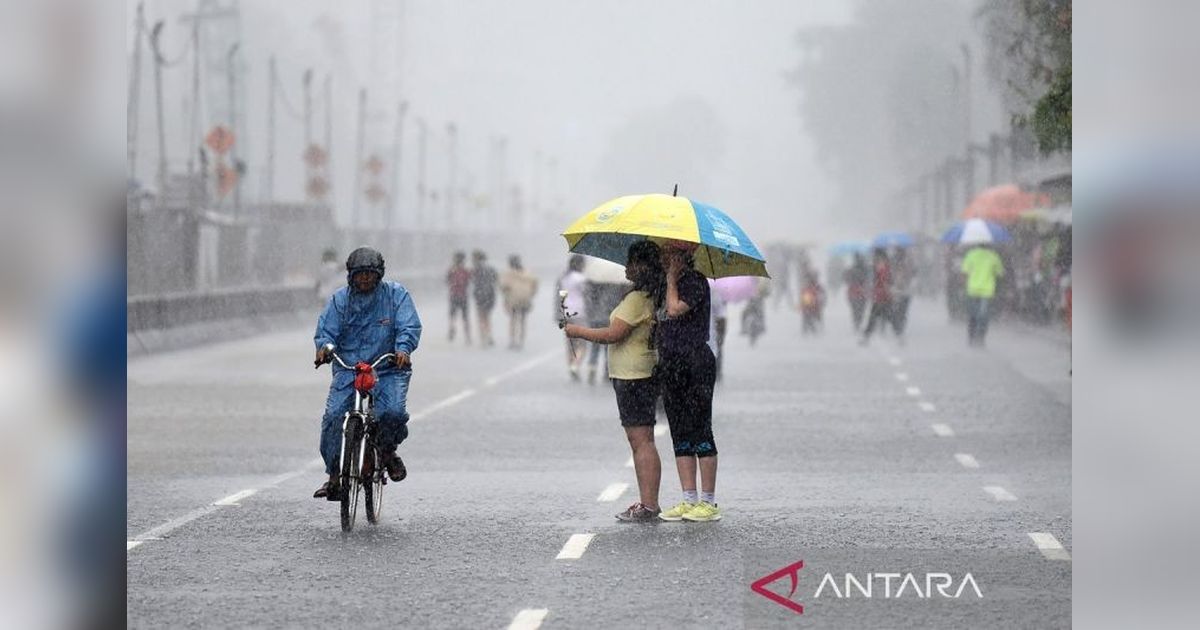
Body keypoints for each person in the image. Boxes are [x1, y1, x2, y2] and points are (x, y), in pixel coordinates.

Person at [563, 241, 664, 522]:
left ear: (643, 266)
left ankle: (649, 504)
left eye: (632, 262)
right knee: (642, 439)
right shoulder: (647, 295)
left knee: (641, 440)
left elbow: (614, 334)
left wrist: (578, 331)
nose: (627, 268)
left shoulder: (637, 299)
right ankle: (648, 502)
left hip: (634, 374)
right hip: (638, 372)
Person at [312, 247, 422, 499]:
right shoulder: (340, 300)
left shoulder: (396, 296)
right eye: (360, 274)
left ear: (379, 274)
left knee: (392, 413)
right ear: (351, 275)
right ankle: (334, 476)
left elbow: (409, 325)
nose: (364, 279)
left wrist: (403, 349)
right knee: (333, 417)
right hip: (349, 368)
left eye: (369, 274)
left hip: (388, 368)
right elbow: (326, 332)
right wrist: (324, 349)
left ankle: (386, 451)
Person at [655, 240, 721, 523]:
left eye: (670, 256)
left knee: (700, 428)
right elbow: (661, 317)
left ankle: (708, 502)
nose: (665, 260)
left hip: (696, 362)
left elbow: (674, 310)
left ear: (683, 257)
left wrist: (671, 280)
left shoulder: (695, 282)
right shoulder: (665, 283)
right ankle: (688, 499)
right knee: (680, 430)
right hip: (672, 363)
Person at [960, 243, 1005, 346]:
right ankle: (980, 337)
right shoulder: (993, 256)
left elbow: (965, 271)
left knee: (973, 315)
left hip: (972, 289)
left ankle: (971, 336)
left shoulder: (971, 254)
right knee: (983, 316)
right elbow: (1000, 273)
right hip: (987, 290)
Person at [556, 255, 589, 380]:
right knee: (582, 344)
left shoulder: (564, 278)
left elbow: (562, 295)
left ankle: (570, 365)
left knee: (570, 343)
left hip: (566, 312)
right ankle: (575, 365)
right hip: (579, 313)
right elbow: (587, 294)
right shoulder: (581, 279)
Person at [499, 254, 539, 350]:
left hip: (513, 300)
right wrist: (531, 294)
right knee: (523, 321)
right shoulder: (527, 273)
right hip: (525, 299)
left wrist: (506, 299)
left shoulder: (509, 274)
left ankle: (512, 340)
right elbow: (535, 283)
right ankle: (521, 341)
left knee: (513, 320)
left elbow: (504, 287)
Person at [859, 248, 892, 345]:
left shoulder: (882, 267)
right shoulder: (880, 266)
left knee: (874, 318)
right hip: (881, 296)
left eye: (876, 256)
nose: (874, 257)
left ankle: (866, 338)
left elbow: (884, 282)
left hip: (882, 297)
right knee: (883, 317)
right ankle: (866, 337)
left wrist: (883, 291)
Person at [471, 250, 499, 347]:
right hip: (490, 295)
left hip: (480, 296)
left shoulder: (476, 270)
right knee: (487, 317)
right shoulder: (491, 269)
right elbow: (496, 280)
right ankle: (489, 335)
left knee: (481, 317)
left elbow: (473, 282)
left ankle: (483, 338)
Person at [445, 251, 471, 344]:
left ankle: (452, 328)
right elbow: (468, 282)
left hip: (454, 295)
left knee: (452, 315)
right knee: (465, 317)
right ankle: (467, 335)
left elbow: (447, 281)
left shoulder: (451, 270)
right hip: (463, 296)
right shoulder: (466, 271)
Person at [890, 248, 915, 342]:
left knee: (898, 310)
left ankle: (898, 327)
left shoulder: (904, 262)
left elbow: (913, 273)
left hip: (899, 291)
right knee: (902, 310)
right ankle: (899, 327)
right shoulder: (906, 262)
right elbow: (913, 273)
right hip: (902, 291)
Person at [843, 252, 869, 331]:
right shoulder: (865, 269)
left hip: (854, 293)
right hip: (862, 292)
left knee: (855, 309)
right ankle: (858, 322)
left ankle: (857, 322)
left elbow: (846, 280)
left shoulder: (851, 269)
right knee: (861, 309)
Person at [799, 268, 826, 335]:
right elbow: (802, 296)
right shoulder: (806, 287)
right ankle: (806, 331)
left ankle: (817, 330)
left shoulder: (818, 287)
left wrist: (821, 301)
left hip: (815, 305)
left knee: (816, 317)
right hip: (808, 305)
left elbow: (822, 295)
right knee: (806, 317)